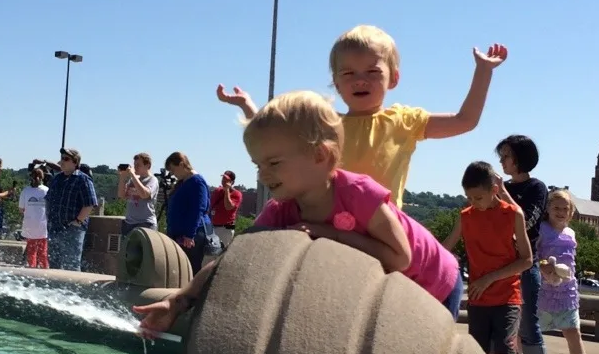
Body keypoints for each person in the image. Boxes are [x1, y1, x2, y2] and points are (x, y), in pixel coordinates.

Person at [135, 92, 462, 334]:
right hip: (395, 292)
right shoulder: (282, 211)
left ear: (320, 155)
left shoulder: (358, 193)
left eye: (273, 163)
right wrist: (180, 300)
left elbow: (400, 257)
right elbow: (232, 258)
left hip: (435, 282)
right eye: (258, 165)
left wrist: (331, 233)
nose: (263, 175)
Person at [216, 26, 508, 208]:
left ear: (393, 78)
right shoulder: (329, 124)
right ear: (336, 82)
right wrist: (247, 105)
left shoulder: (404, 120)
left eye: (372, 72)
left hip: (381, 226)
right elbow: (277, 138)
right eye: (349, 73)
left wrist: (483, 71)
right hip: (330, 222)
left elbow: (464, 120)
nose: (360, 81)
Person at [444, 162, 533, 354]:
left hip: (507, 297)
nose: (473, 203)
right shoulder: (466, 216)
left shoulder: (513, 214)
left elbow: (527, 260)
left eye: (478, 198)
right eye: (468, 198)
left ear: (494, 190)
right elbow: (444, 248)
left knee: (505, 353)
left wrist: (489, 278)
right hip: (478, 299)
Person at [538, 190, 599, 354]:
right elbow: (533, 255)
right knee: (529, 332)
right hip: (543, 292)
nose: (561, 212)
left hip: (566, 292)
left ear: (571, 213)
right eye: (556, 208)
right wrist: (545, 266)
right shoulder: (542, 229)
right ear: (548, 209)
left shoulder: (570, 233)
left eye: (565, 209)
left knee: (574, 334)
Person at [496, 135, 549, 354]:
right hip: (500, 265)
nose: (502, 161)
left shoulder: (537, 188)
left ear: (520, 158)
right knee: (500, 328)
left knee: (529, 327)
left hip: (525, 268)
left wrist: (501, 193)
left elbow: (526, 222)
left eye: (506, 155)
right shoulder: (501, 188)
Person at [45, 147, 97, 271]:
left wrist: (78, 221)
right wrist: (48, 217)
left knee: (71, 265)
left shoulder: (83, 179)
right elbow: (48, 199)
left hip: (72, 229)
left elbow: (89, 203)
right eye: (62, 158)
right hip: (54, 227)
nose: (62, 161)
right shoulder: (57, 178)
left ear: (75, 162)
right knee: (53, 264)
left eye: (66, 159)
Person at [164, 152, 216, 275]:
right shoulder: (184, 182)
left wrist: (189, 234)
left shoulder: (196, 182)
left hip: (192, 235)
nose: (173, 173)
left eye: (173, 169)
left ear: (181, 164)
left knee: (191, 269)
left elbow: (198, 209)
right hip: (179, 233)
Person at [118, 152, 159, 236]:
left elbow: (145, 194)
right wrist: (122, 177)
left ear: (147, 165)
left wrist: (132, 175)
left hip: (146, 223)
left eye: (138, 165)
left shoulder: (152, 180)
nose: (135, 167)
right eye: (134, 165)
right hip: (129, 223)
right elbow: (121, 195)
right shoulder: (133, 180)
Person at [18, 166, 49, 268]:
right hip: (42, 225)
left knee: (31, 252)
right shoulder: (47, 190)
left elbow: (21, 209)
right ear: (42, 177)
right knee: (42, 252)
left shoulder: (25, 191)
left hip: (30, 224)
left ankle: (32, 270)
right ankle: (44, 271)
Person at [209, 171, 243, 247]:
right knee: (211, 253)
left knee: (222, 253)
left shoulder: (236, 194)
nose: (224, 181)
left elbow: (228, 207)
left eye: (226, 180)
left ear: (232, 182)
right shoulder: (217, 191)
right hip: (213, 227)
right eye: (223, 179)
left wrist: (227, 190)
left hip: (225, 229)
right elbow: (209, 206)